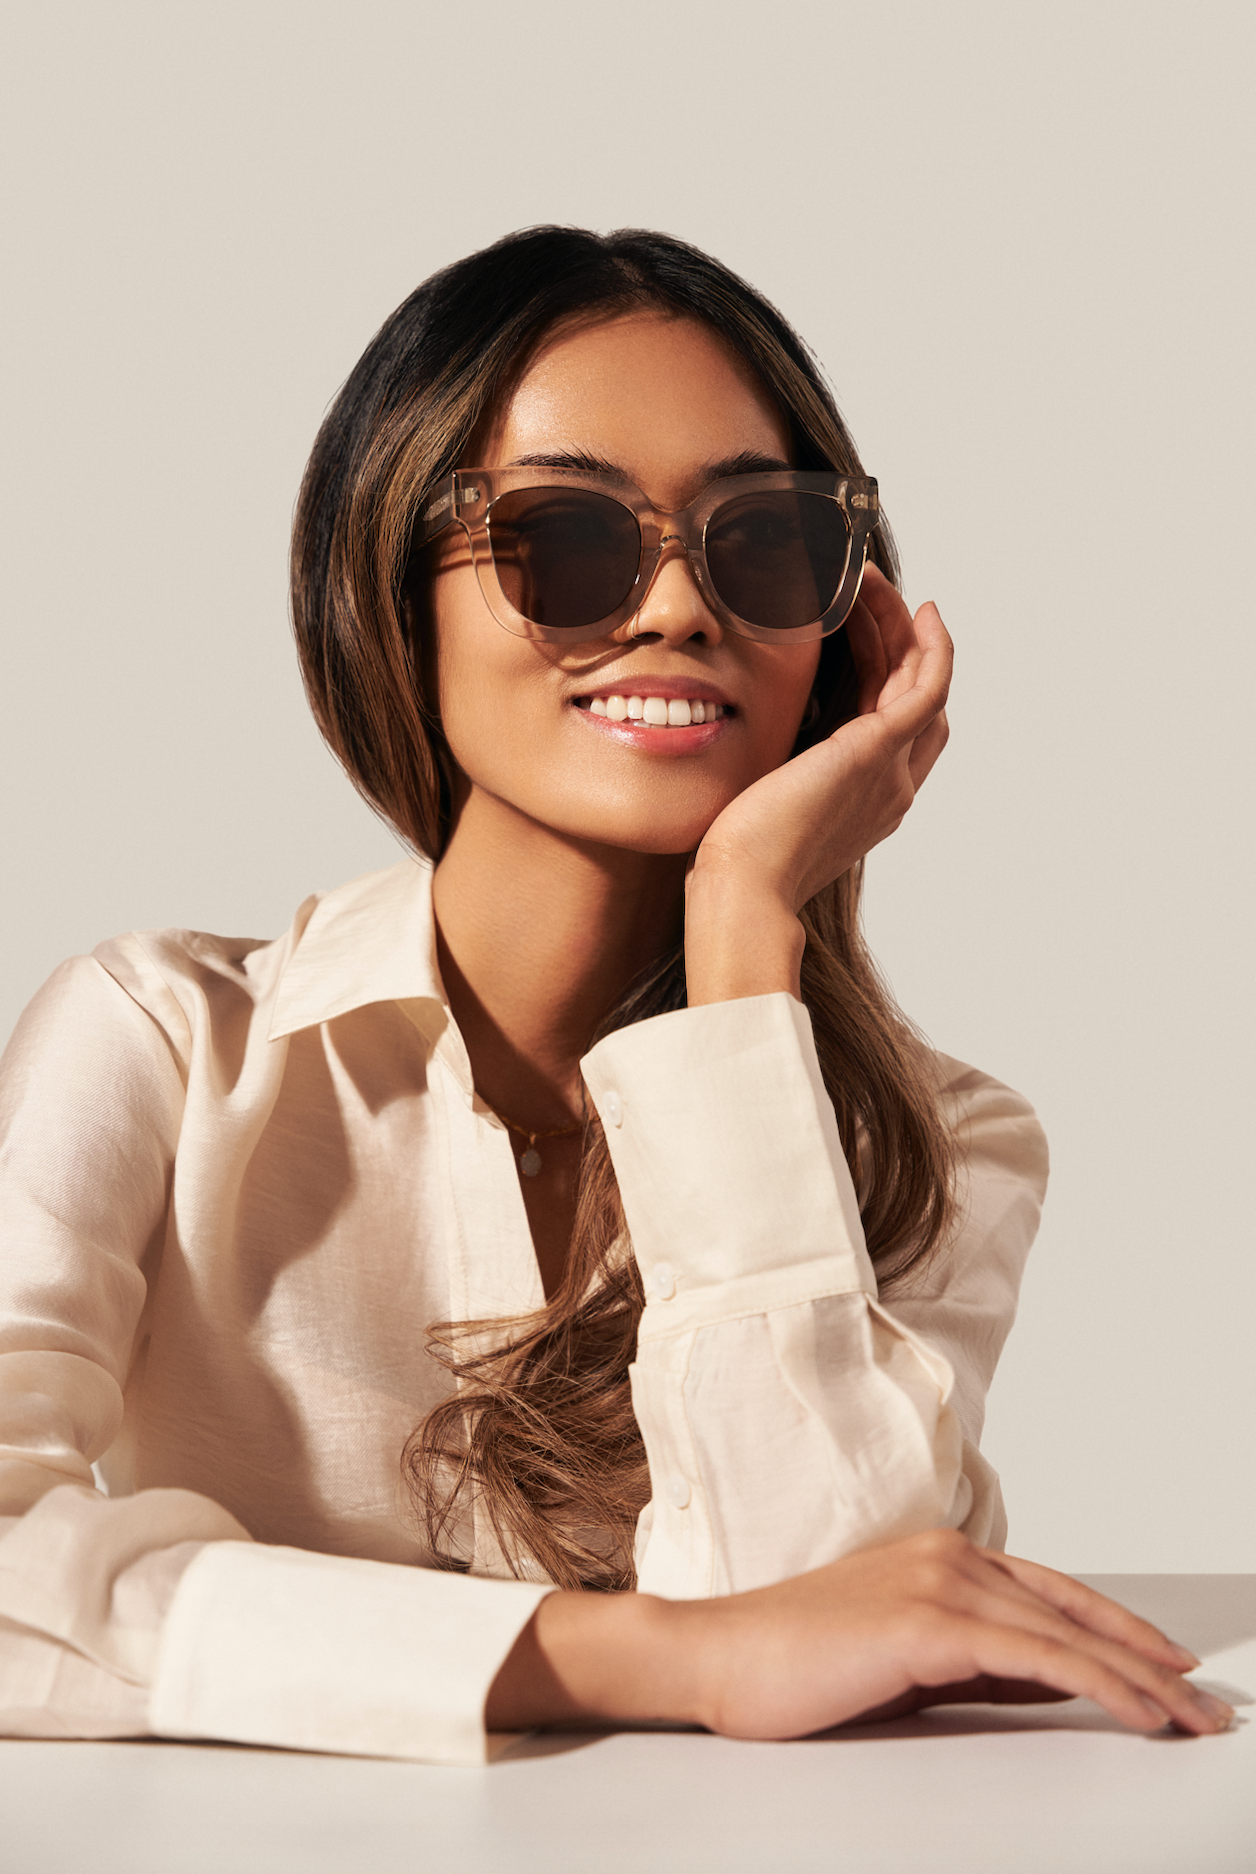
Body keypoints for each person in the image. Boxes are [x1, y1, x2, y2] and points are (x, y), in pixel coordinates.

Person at [0, 227, 1230, 1762]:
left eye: (761, 541)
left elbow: (826, 1611)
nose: (673, 608)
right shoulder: (162, 1049)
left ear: (840, 631)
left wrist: (743, 935)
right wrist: (646, 1655)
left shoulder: (947, 1144)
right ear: (393, 590)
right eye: (566, 539)